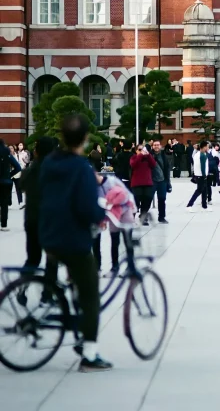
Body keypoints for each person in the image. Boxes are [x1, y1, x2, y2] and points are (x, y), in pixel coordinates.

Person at [39, 114, 112, 372]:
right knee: (91, 294)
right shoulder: (81, 168)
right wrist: (99, 214)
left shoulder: (49, 162)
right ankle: (89, 354)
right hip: (73, 238)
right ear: (84, 139)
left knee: (73, 282)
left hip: (48, 234)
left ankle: (68, 313)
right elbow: (85, 207)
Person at [19, 136, 58, 283]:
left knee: (33, 258)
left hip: (31, 219)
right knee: (52, 259)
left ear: (36, 151)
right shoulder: (54, 170)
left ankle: (21, 287)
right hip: (49, 220)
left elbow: (22, 185)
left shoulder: (30, 170)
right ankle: (47, 294)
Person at [93, 171, 136, 275]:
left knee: (127, 240)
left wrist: (115, 203)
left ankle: (130, 266)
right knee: (114, 240)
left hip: (125, 211)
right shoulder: (93, 188)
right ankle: (115, 267)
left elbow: (126, 194)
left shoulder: (112, 181)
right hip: (112, 215)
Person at [129, 143, 156, 224]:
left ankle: (143, 217)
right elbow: (133, 165)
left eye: (143, 149)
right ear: (136, 151)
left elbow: (153, 164)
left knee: (147, 199)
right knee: (136, 200)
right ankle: (131, 217)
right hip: (136, 183)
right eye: (139, 150)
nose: (142, 151)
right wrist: (140, 155)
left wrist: (148, 155)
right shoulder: (134, 157)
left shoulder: (148, 157)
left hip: (147, 182)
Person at [0, 139, 22, 231]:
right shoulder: (7, 153)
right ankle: (4, 224)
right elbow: (18, 167)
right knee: (4, 203)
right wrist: (9, 175)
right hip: (5, 181)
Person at [186, 141, 211, 212]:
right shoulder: (202, 155)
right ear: (204, 147)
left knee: (204, 191)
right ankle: (189, 205)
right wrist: (204, 175)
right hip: (201, 175)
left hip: (197, 174)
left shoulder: (197, 154)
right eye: (207, 146)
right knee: (199, 190)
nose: (208, 148)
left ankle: (204, 206)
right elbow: (203, 166)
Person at [151, 140, 171, 224]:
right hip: (151, 181)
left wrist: (168, 182)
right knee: (147, 200)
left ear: (160, 146)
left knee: (162, 199)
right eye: (155, 145)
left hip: (162, 181)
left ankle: (162, 217)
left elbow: (167, 169)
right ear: (152, 146)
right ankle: (144, 217)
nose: (156, 146)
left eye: (158, 145)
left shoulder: (164, 155)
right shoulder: (149, 155)